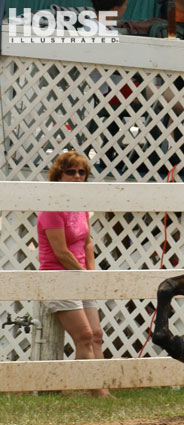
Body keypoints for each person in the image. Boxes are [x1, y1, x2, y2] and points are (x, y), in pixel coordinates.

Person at [37, 152, 112, 398]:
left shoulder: (80, 207)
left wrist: (90, 274)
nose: (78, 176)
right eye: (71, 172)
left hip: (81, 276)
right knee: (85, 335)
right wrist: (82, 275)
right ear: (58, 176)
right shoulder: (51, 208)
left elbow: (87, 244)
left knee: (97, 335)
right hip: (58, 277)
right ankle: (97, 392)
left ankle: (99, 388)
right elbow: (60, 252)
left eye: (82, 172)